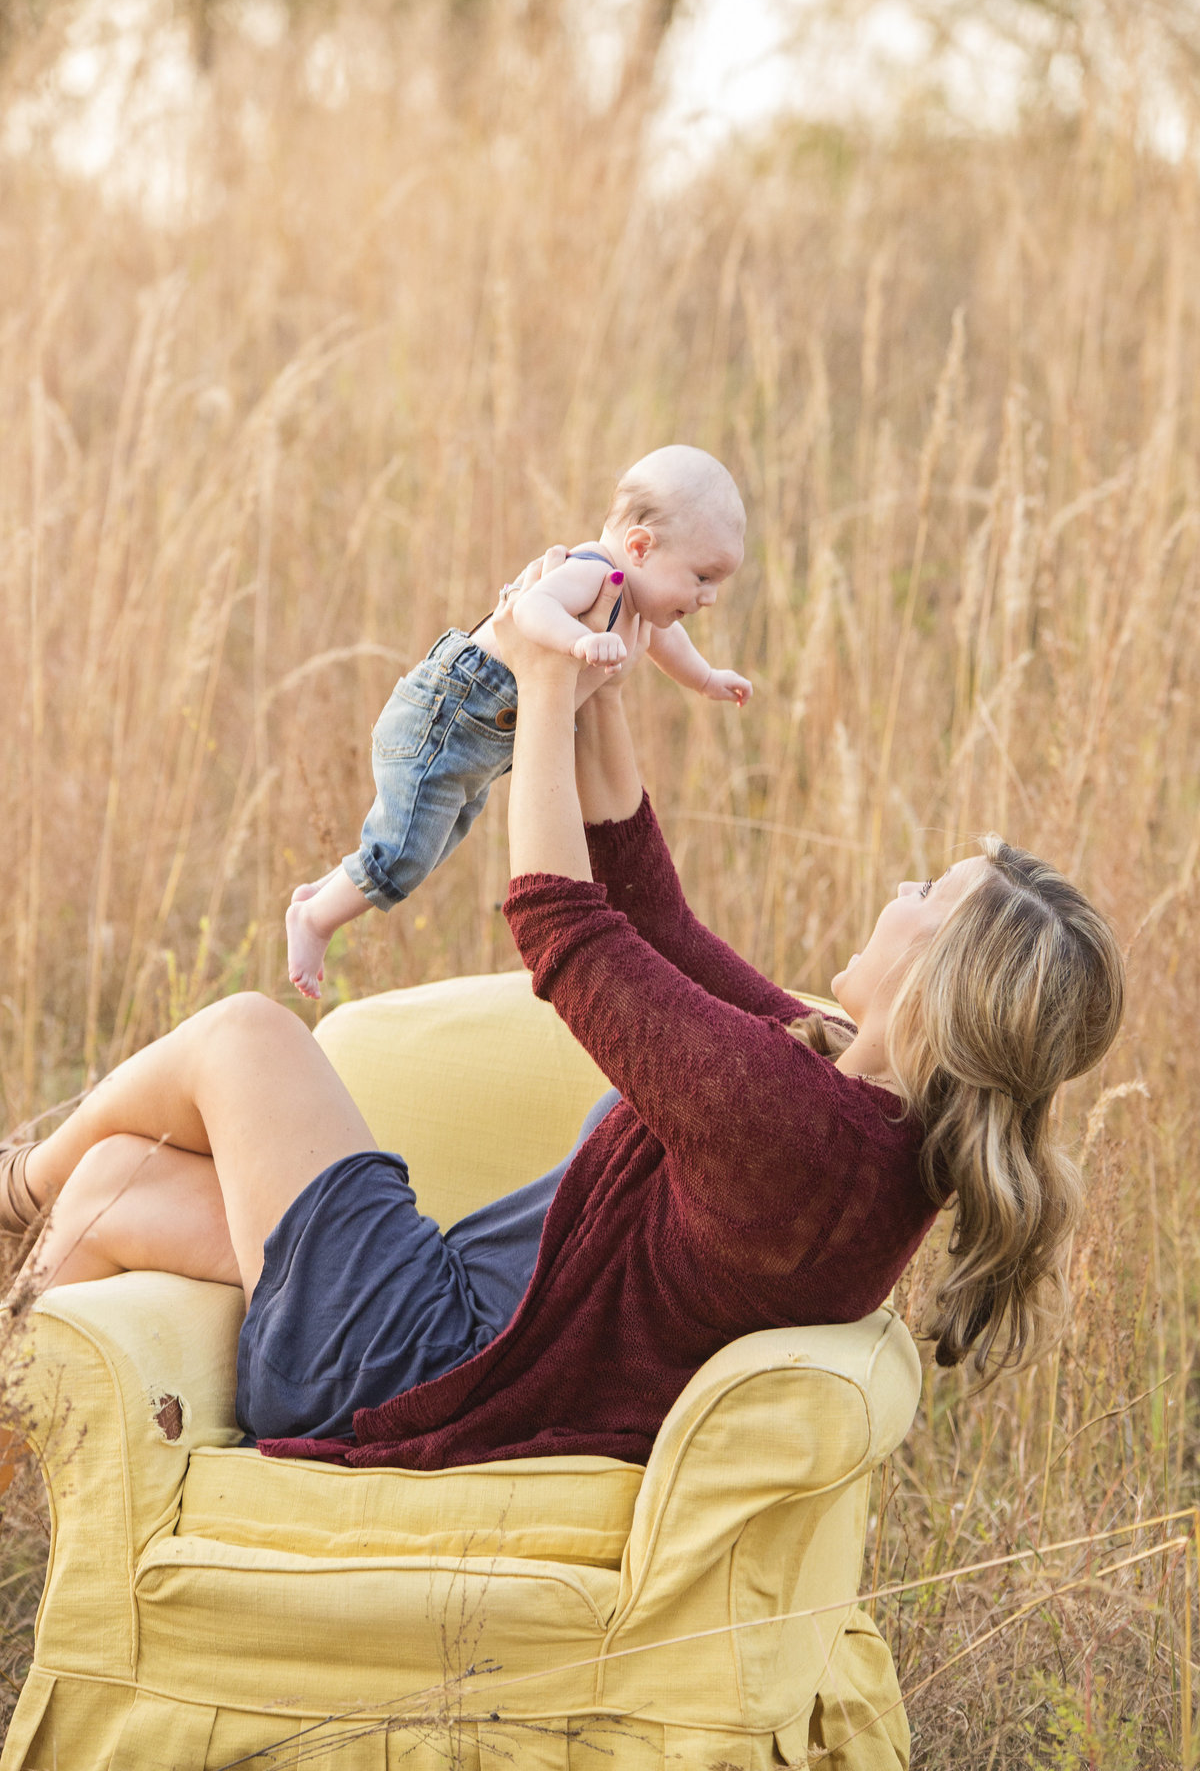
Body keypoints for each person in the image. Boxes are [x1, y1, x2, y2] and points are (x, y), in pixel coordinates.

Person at [0, 548, 1124, 1469]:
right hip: (450, 1326)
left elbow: (564, 929)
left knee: (247, 1034)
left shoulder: (794, 1131)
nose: (896, 890)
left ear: (934, 989)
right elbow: (655, 922)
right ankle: (22, 1452)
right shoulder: (848, 1108)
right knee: (110, 1192)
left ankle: (6, 1187)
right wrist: (600, 687)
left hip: (419, 1367)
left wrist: (540, 689)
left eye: (924, 895)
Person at [285, 444, 753, 998]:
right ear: (641, 547)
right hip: (446, 718)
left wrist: (704, 679)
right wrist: (581, 640)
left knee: (429, 843)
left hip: (482, 741)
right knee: (404, 855)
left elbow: (666, 640)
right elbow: (530, 611)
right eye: (703, 577)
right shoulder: (590, 573)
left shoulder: (638, 603)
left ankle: (326, 892)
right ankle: (314, 922)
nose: (711, 597)